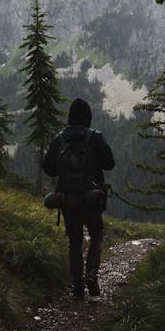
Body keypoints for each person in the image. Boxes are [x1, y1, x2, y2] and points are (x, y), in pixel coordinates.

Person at [42, 98, 115, 298]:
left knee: (74, 240)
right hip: (92, 198)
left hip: (67, 199)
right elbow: (110, 164)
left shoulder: (59, 138)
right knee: (96, 235)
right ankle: (91, 274)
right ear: (87, 117)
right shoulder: (95, 137)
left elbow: (48, 168)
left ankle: (77, 285)